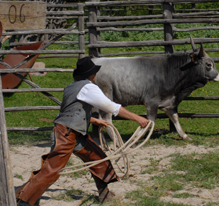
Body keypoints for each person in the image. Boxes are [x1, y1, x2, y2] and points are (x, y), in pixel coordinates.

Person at [16, 56, 149, 206]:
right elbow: (111, 107)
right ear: (91, 75)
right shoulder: (89, 87)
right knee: (51, 171)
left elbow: (71, 112)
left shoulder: (72, 87)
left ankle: (104, 195)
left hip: (72, 132)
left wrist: (93, 120)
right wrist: (138, 118)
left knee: (98, 159)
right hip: (66, 135)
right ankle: (24, 201)